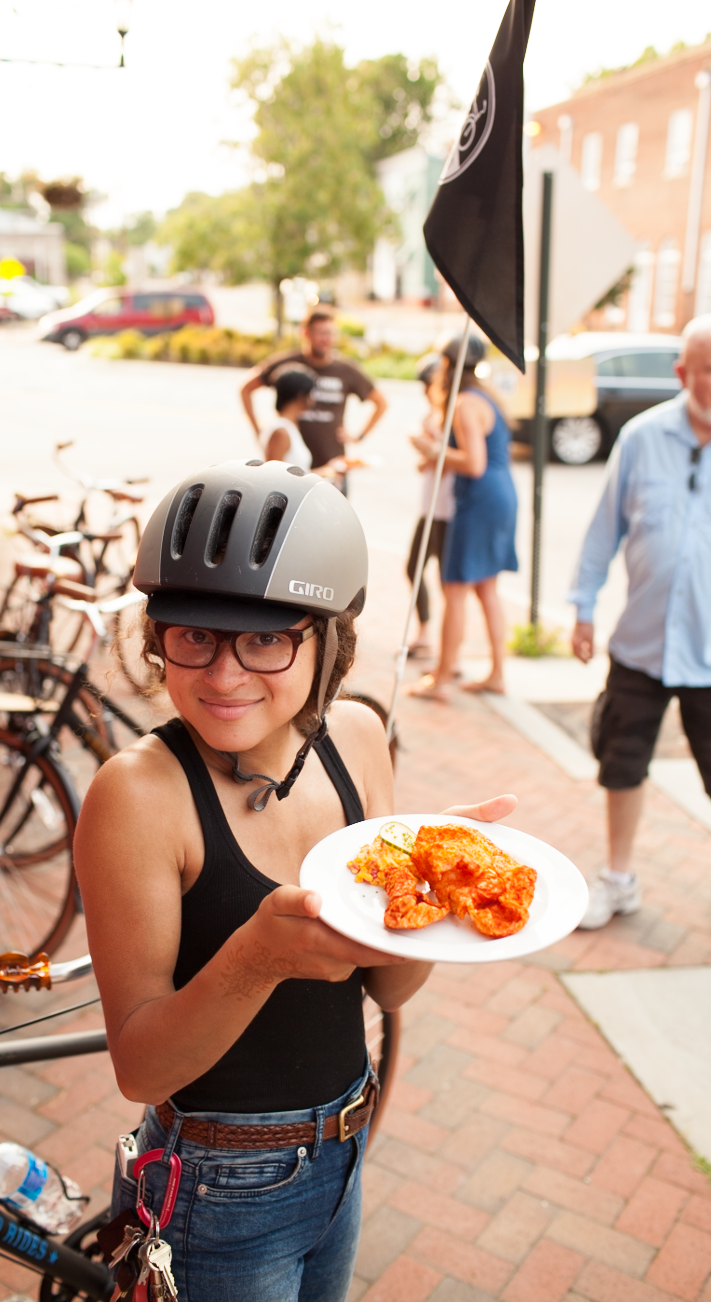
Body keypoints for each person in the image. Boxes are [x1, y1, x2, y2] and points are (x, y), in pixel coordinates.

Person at [74, 459, 517, 1301]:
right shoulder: (139, 794)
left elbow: (390, 988)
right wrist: (255, 959)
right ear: (156, 632)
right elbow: (142, 1068)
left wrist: (433, 880)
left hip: (347, 1148)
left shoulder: (356, 737)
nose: (223, 674)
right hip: (215, 1187)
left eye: (268, 638)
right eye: (194, 633)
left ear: (329, 639)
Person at [569, 314, 711, 931]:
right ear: (683, 373)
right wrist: (581, 606)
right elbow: (604, 530)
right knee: (621, 764)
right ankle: (618, 880)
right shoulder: (641, 437)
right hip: (641, 646)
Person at [406, 335, 518, 702]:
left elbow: (473, 463)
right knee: (486, 589)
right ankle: (497, 673)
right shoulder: (484, 398)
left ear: (447, 366)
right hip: (498, 497)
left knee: (454, 589)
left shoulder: (465, 403)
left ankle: (441, 679)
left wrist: (433, 450)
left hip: (480, 501)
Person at [240, 308, 388, 475]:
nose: (327, 339)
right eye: (321, 333)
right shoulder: (288, 364)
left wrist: (358, 436)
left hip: (332, 463)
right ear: (306, 333)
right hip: (295, 464)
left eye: (331, 333)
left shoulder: (345, 369)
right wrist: (258, 431)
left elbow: (381, 402)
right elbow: (246, 388)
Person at [406, 355, 456, 657]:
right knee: (414, 567)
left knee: (447, 580)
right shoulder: (433, 416)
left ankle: (445, 648)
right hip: (430, 505)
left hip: (448, 507)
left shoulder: (453, 414)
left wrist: (429, 451)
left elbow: (450, 461)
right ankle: (425, 632)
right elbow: (427, 463)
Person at [260, 369, 317, 468]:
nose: (313, 399)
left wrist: (328, 470)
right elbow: (272, 476)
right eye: (311, 393)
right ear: (301, 396)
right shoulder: (281, 431)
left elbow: (298, 474)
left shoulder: (290, 426)